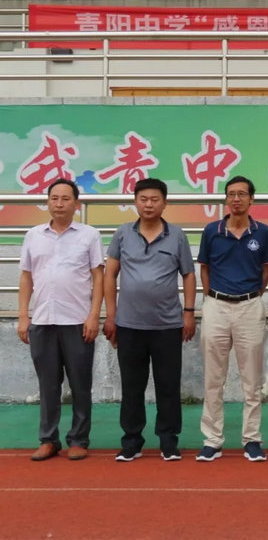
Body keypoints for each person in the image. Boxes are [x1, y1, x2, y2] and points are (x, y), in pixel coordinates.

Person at [103, 178, 196, 462]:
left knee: (168, 384)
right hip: (129, 324)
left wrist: (189, 312)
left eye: (155, 199)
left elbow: (189, 275)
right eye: (143, 199)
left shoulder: (177, 235)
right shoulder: (122, 234)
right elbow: (110, 275)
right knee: (132, 386)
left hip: (168, 324)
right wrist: (111, 315)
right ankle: (132, 441)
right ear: (135, 201)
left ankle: (168, 440)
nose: (149, 204)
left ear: (165, 202)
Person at [18, 178, 104, 461]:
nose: (59, 203)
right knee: (48, 384)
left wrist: (94, 315)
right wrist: (23, 316)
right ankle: (48, 439)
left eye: (65, 198)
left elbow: (98, 276)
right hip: (42, 320)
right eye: (54, 198)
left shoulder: (89, 235)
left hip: (77, 321)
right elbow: (27, 276)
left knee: (80, 383)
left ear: (76, 204)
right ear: (48, 201)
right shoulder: (34, 235)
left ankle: (78, 439)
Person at [196, 175, 268, 462]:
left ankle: (252, 439)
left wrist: (251, 295)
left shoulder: (263, 233)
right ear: (226, 199)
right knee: (213, 378)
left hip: (250, 306)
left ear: (252, 199)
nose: (236, 199)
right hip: (216, 305)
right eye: (231, 194)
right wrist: (210, 298)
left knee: (251, 379)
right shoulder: (212, 231)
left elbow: (265, 272)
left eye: (242, 194)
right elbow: (204, 268)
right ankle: (213, 439)